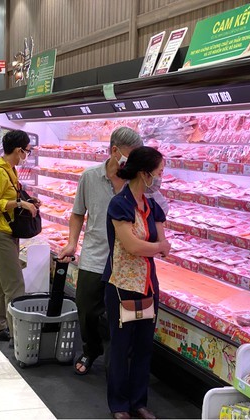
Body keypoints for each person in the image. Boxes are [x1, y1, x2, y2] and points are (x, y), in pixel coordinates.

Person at [58, 127, 168, 376]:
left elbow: (155, 216)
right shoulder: (90, 176)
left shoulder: (139, 184)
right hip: (95, 255)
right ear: (114, 151)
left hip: (126, 263)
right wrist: (72, 242)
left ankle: (115, 362)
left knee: (121, 318)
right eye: (130, 155)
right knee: (86, 308)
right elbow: (78, 213)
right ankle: (91, 349)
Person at [103, 146, 171, 420]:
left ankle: (138, 402)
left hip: (148, 286)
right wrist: (154, 246)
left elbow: (161, 244)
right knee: (121, 348)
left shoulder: (153, 206)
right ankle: (119, 405)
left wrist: (153, 246)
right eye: (159, 172)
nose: (161, 177)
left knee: (144, 347)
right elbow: (132, 245)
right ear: (144, 174)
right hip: (122, 286)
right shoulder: (119, 204)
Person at [0, 130, 39, 347]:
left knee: (1, 284)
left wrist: (27, 200)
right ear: (19, 150)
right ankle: (20, 338)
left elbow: (6, 197)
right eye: (27, 150)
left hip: (6, 232)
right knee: (15, 286)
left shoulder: (9, 169)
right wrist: (19, 204)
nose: (27, 154)